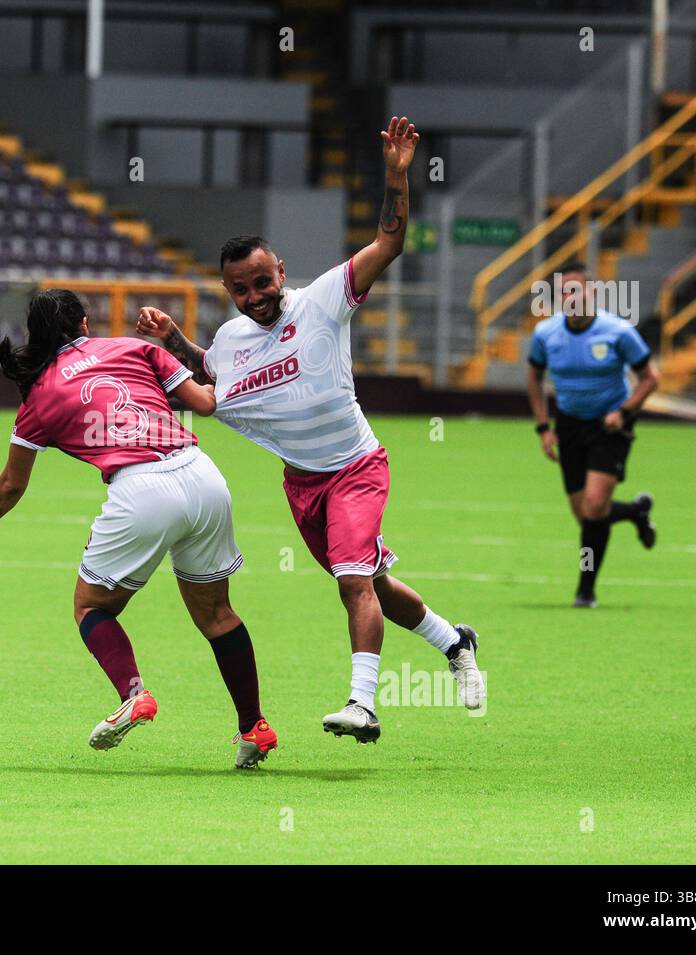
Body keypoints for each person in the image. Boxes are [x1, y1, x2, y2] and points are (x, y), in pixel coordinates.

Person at [137, 117, 483, 746]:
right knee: (371, 582)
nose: (255, 295)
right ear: (228, 290)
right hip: (303, 485)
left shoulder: (325, 299)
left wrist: (397, 177)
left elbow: (389, 243)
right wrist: (173, 342)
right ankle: (454, 640)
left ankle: (363, 704)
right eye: (240, 288)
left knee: (353, 581)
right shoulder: (231, 339)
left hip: (356, 469)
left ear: (281, 272)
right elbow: (213, 382)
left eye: (263, 281)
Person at [0, 288, 279, 768]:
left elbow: (12, 482)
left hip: (141, 490)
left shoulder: (40, 393)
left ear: (39, 336)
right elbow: (207, 402)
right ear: (85, 324)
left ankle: (135, 694)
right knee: (217, 614)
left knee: (91, 605)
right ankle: (254, 727)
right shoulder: (138, 348)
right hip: (202, 474)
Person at [526, 264, 661, 608]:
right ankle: (634, 512)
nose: (570, 298)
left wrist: (625, 412)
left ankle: (585, 591)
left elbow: (650, 378)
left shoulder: (617, 332)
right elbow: (533, 379)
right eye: (564, 293)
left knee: (595, 505)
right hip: (569, 425)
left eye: (577, 291)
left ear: (593, 293)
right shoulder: (545, 334)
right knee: (585, 515)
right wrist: (544, 428)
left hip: (610, 425)